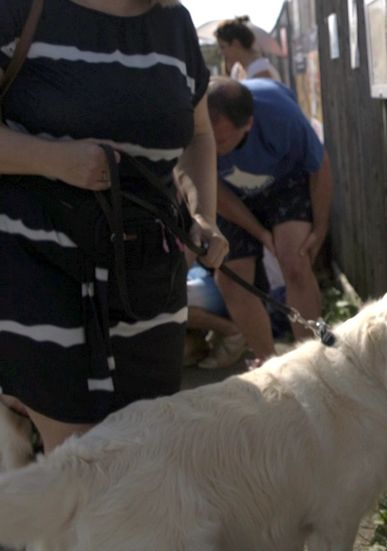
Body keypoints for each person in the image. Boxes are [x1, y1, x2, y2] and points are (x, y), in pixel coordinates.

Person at [0, 0, 228, 453]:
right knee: (86, 464)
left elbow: (199, 135)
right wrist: (54, 160)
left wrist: (204, 217)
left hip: (150, 284)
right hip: (44, 280)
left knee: (148, 452)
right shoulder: (18, 11)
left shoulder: (174, 23)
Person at [207, 77, 332, 363]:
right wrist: (261, 234)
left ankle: (313, 361)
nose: (212, 149)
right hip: (232, 196)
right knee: (231, 277)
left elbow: (319, 166)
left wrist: (321, 225)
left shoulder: (281, 115)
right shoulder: (193, 122)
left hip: (285, 183)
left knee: (295, 261)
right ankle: (267, 362)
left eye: (222, 140)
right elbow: (212, 191)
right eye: (207, 140)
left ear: (248, 124)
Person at [214, 16, 281, 81]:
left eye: (223, 47)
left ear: (236, 44)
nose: (221, 52)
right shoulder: (237, 69)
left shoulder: (261, 71)